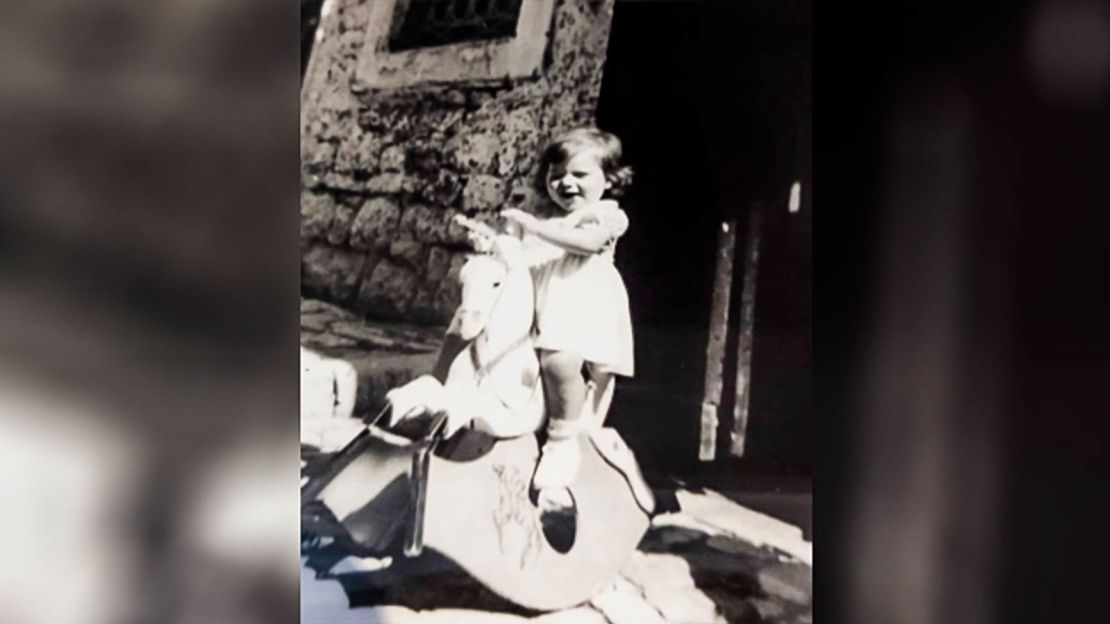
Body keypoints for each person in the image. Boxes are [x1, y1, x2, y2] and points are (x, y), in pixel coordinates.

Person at [499, 127, 636, 491]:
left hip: (584, 305)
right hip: (545, 307)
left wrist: (533, 227)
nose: (565, 183)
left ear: (608, 180)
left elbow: (588, 245)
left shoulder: (606, 215)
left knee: (560, 360)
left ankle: (563, 442)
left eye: (579, 174)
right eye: (556, 175)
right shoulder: (552, 224)